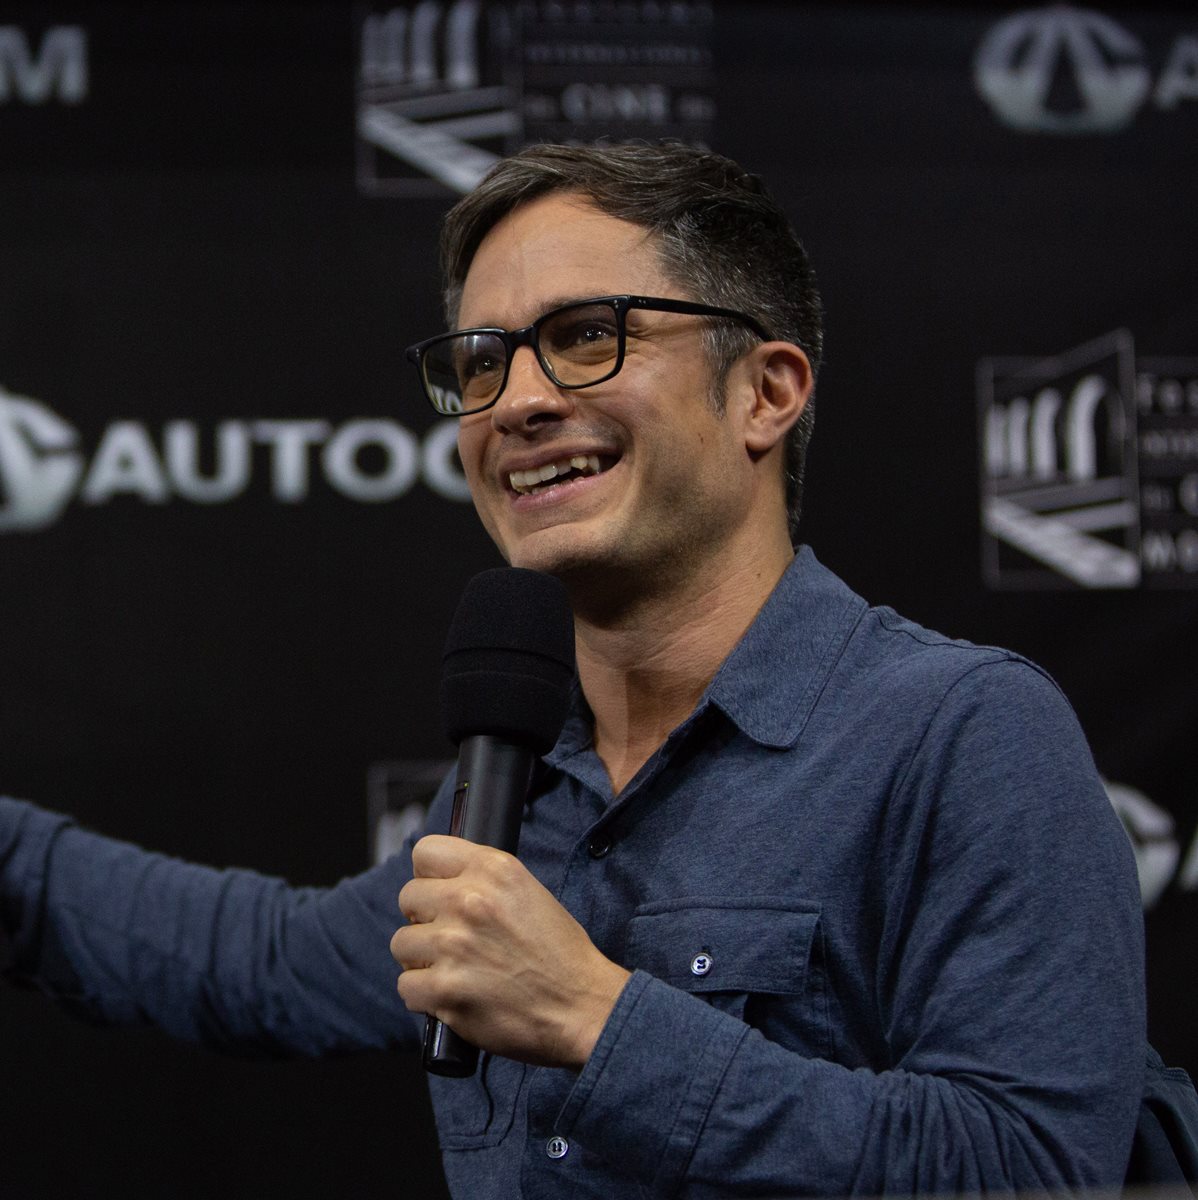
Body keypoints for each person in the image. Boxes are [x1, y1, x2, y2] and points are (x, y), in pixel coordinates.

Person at [1, 142, 1146, 1197]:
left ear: (766, 392)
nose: (523, 402)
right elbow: (261, 964)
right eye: (482, 360)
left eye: (589, 335)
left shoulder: (960, 734)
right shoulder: (514, 784)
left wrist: (598, 1021)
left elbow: (1036, 1167)